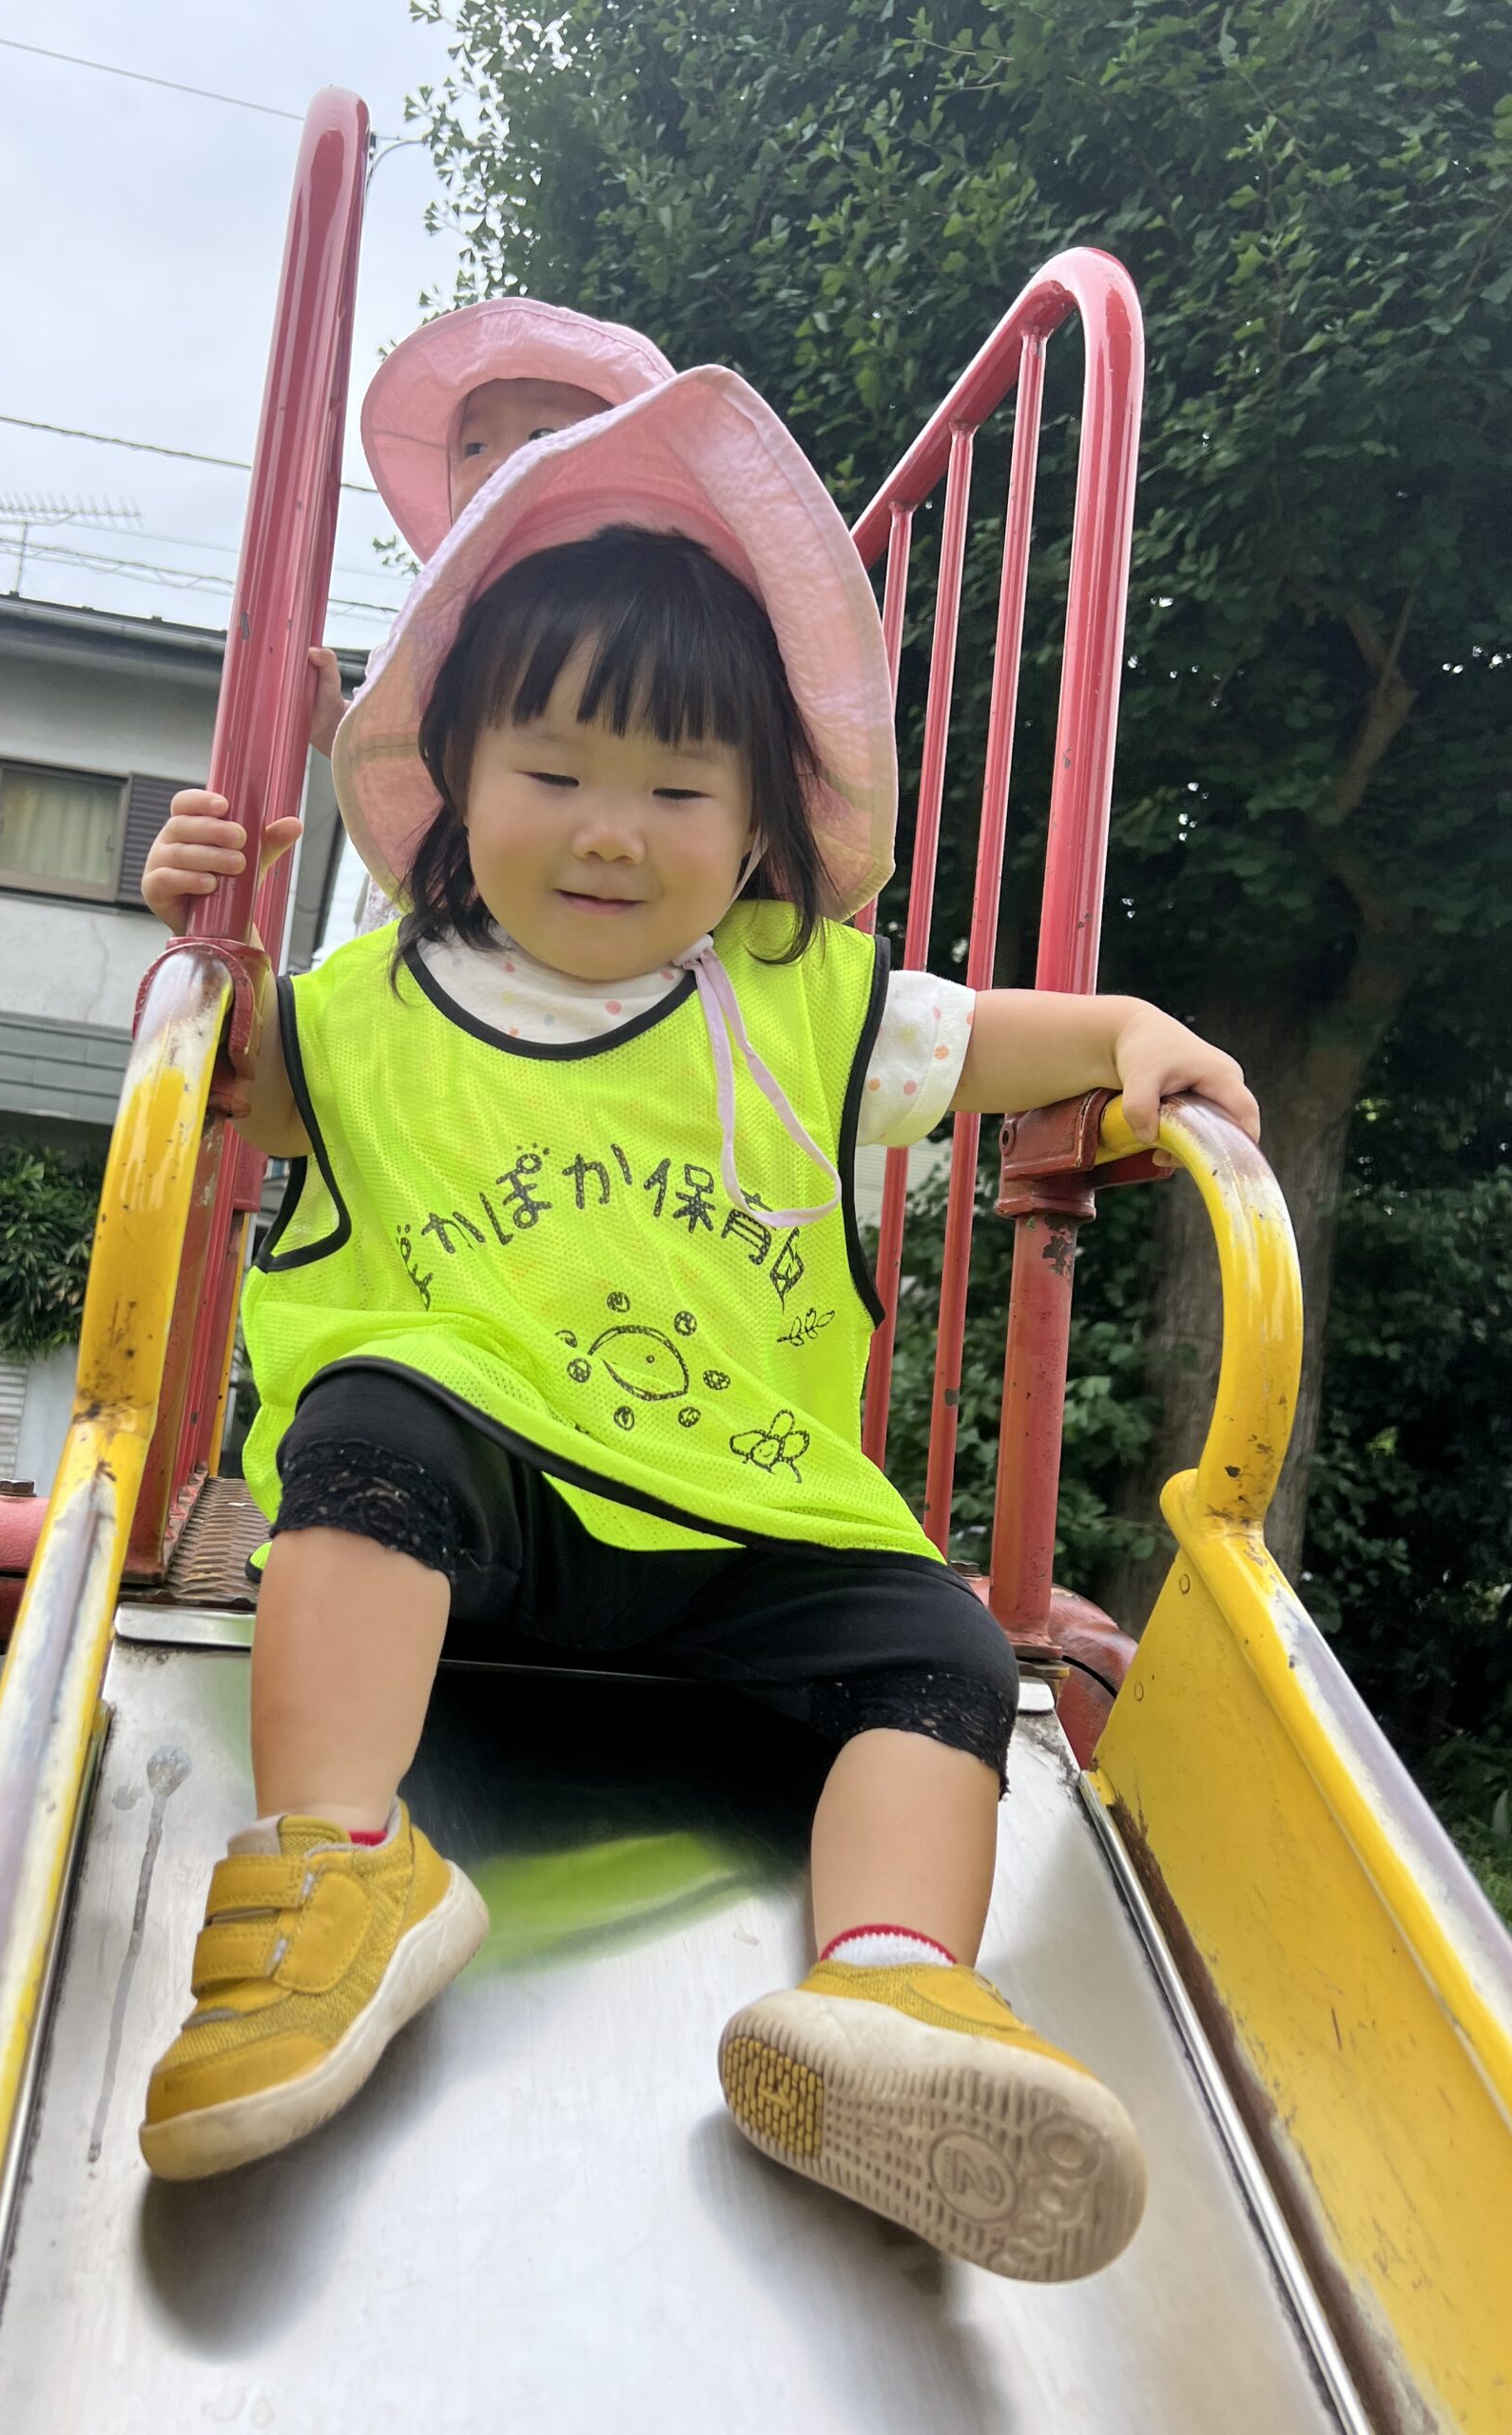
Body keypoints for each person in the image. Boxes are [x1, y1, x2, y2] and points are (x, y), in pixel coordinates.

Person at [134, 367, 1258, 2283]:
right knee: (375, 1417)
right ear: (454, 776)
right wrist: (196, 933)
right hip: (475, 1521)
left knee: (941, 1648)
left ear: (752, 830)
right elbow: (212, 1072)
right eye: (555, 772)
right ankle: (340, 1862)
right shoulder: (364, 1008)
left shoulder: (798, 1000)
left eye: (677, 790)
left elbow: (995, 1037)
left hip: (737, 1521)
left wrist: (1130, 1031)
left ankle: (886, 1984)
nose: (610, 830)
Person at [301, 297, 675, 762]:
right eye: (474, 447)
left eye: (541, 437)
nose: (498, 465)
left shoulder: (667, 610)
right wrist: (334, 725)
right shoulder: (441, 632)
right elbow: (406, 760)